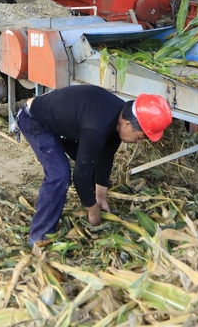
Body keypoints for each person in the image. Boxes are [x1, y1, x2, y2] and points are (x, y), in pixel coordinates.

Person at [16, 85, 173, 249]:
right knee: (60, 174)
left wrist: (101, 197)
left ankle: (90, 199)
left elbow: (105, 157)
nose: (139, 142)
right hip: (36, 121)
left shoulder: (118, 116)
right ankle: (39, 238)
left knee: (91, 162)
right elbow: (80, 175)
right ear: (127, 124)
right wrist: (92, 210)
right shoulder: (98, 127)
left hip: (66, 125)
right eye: (140, 137)